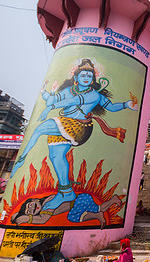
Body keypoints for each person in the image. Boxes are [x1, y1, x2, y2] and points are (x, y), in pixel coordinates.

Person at [10, 58, 138, 212]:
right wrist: (47, 92)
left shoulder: (94, 95)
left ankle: (21, 159)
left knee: (40, 129)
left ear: (92, 80)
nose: (86, 78)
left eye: (89, 76)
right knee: (56, 157)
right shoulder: (68, 90)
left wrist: (126, 104)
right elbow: (53, 99)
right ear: (76, 78)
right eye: (83, 75)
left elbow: (109, 106)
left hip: (79, 126)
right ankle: (66, 192)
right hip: (64, 123)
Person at [11, 193, 121, 229]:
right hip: (80, 201)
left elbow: (43, 220)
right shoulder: (44, 206)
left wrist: (27, 218)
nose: (32, 209)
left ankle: (98, 215)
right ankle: (111, 202)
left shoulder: (48, 203)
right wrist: (18, 215)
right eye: (30, 211)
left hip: (80, 200)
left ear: (34, 200)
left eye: (30, 205)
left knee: (72, 217)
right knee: (99, 208)